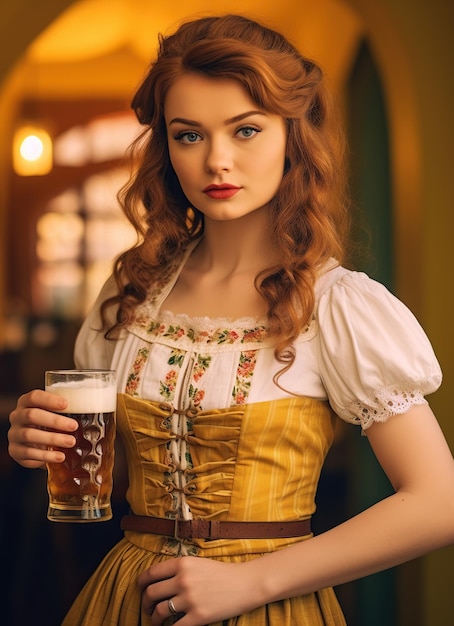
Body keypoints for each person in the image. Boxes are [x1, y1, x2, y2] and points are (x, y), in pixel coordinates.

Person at [8, 13, 454, 626]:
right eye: (188, 135)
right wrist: (35, 437)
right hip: (124, 601)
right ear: (165, 146)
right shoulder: (131, 292)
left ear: (291, 137)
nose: (217, 160)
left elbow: (439, 502)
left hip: (271, 605)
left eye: (245, 130)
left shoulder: (336, 305)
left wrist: (251, 583)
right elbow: (94, 465)